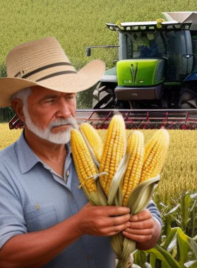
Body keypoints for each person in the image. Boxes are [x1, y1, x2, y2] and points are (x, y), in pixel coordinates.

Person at [0, 37, 162, 268]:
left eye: (70, 97)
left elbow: (151, 223)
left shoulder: (101, 156)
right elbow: (6, 256)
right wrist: (78, 226)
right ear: (20, 109)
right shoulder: (4, 173)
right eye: (50, 100)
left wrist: (149, 229)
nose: (65, 111)